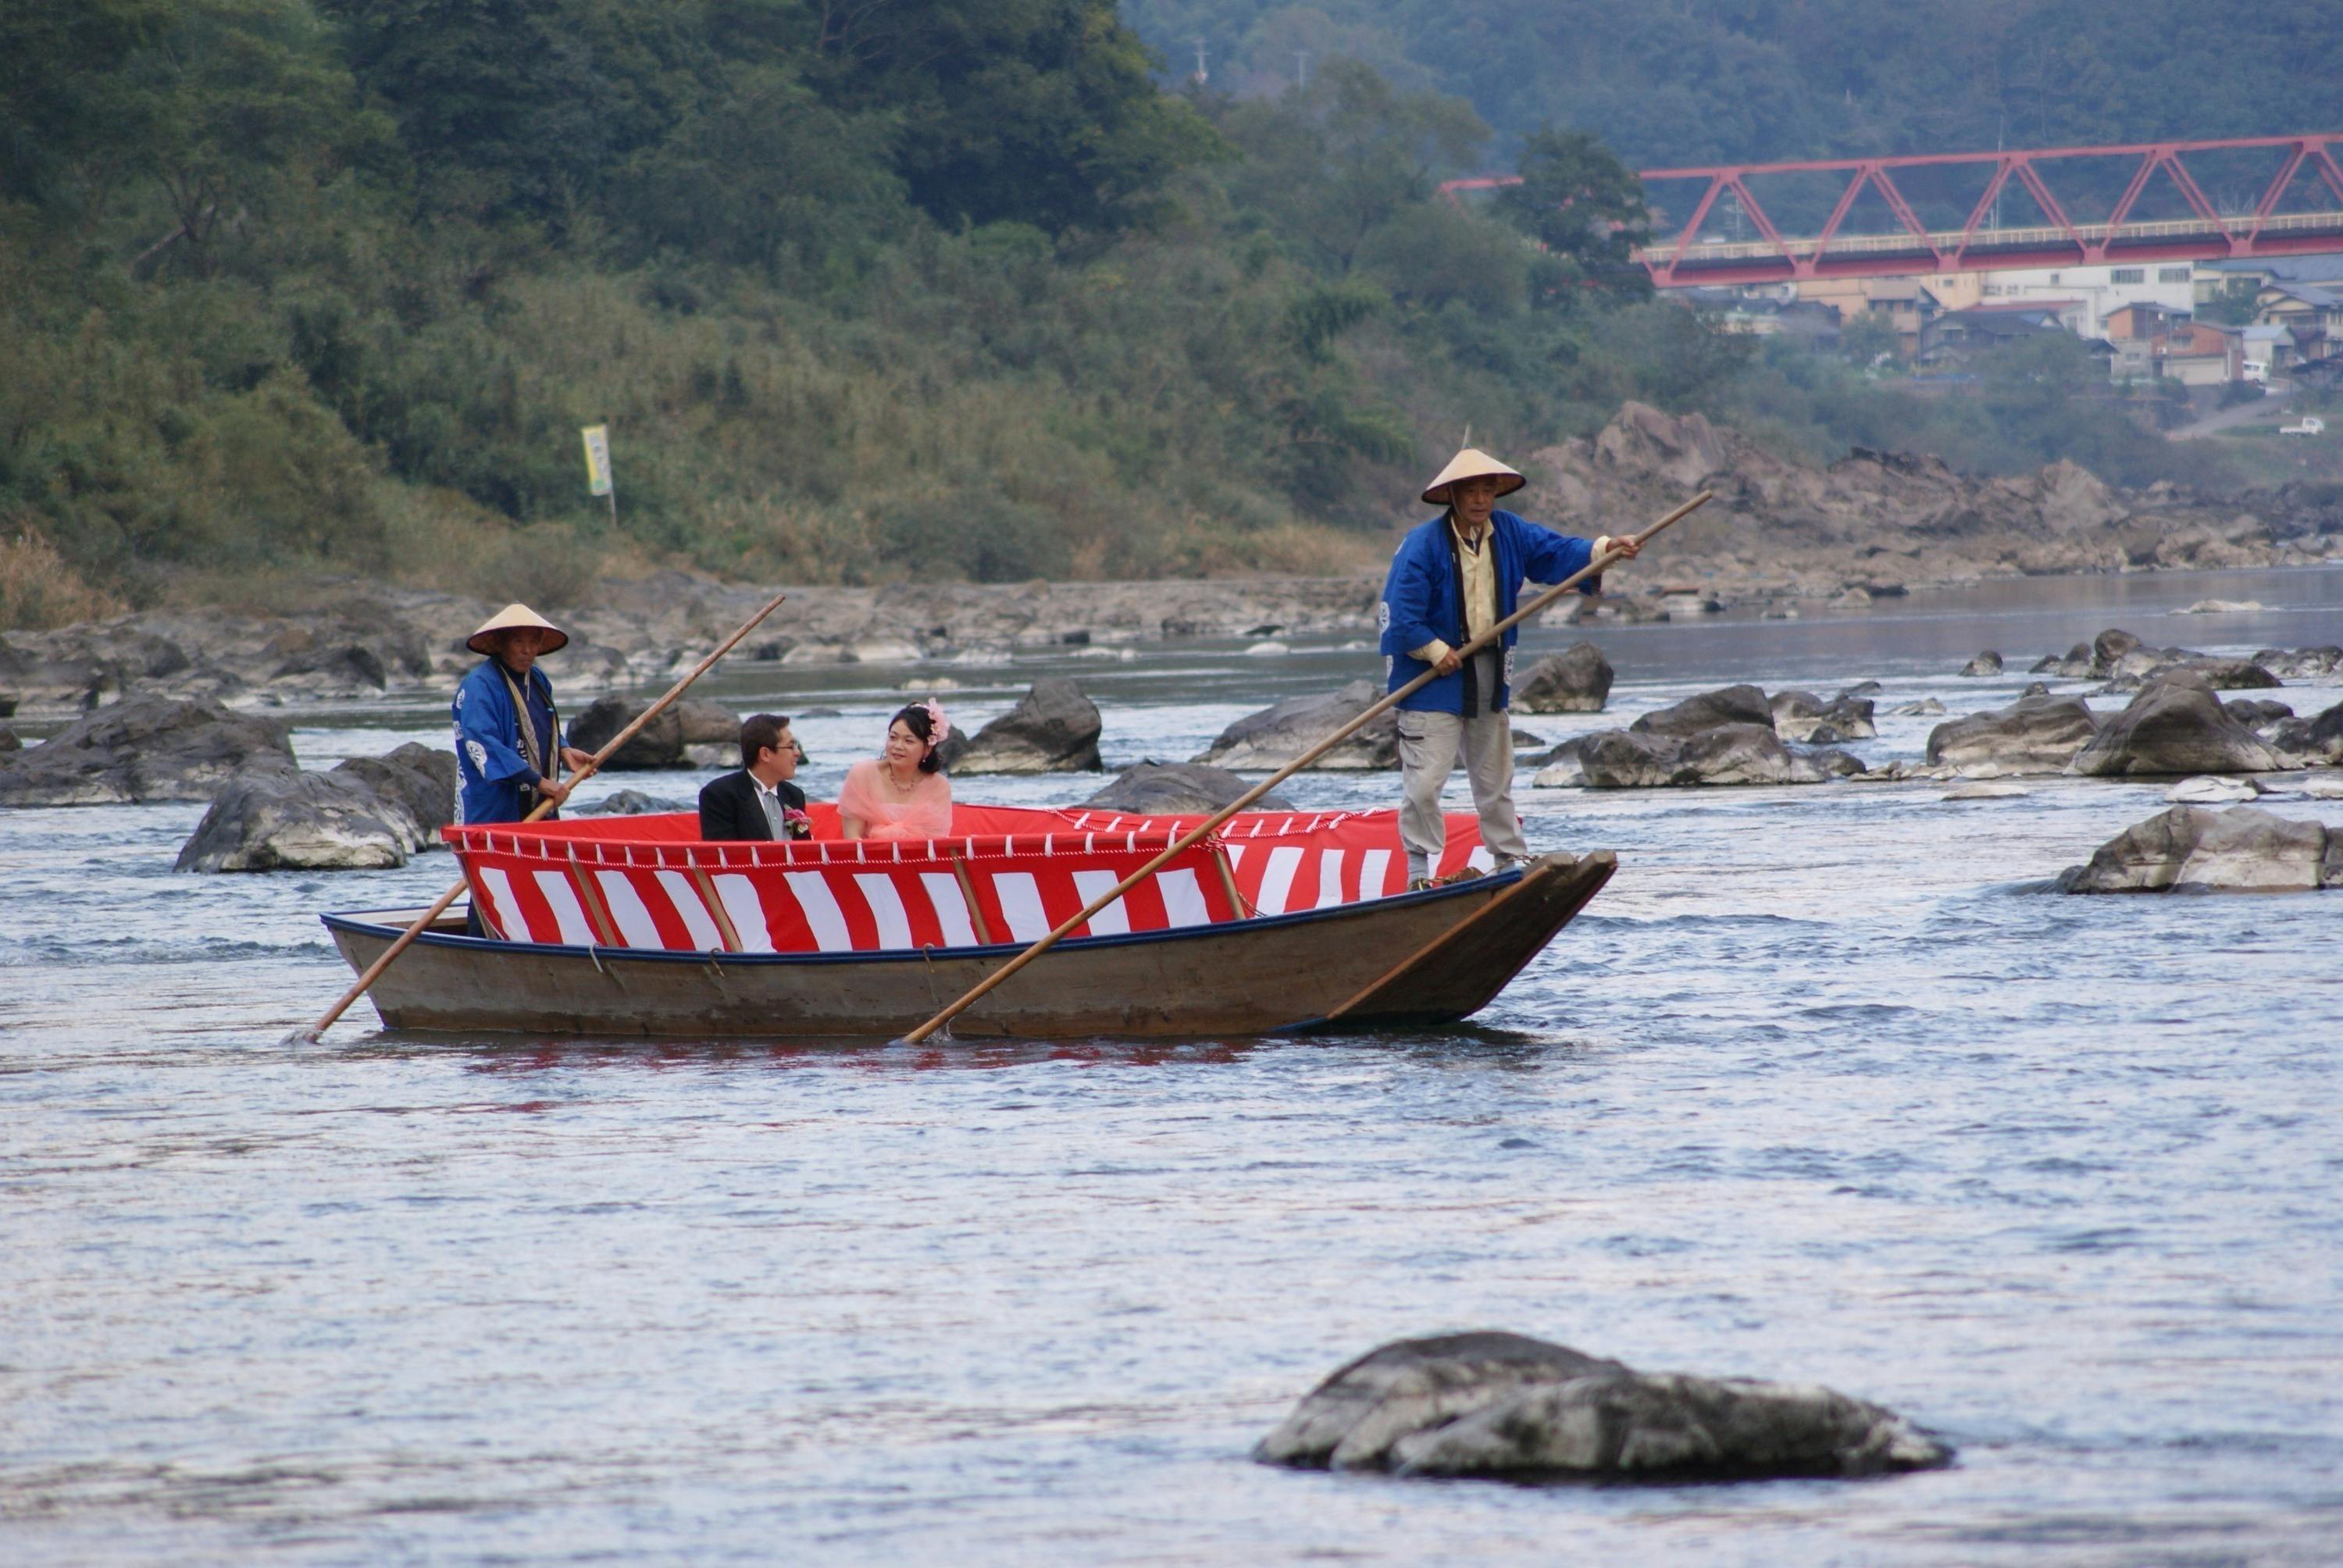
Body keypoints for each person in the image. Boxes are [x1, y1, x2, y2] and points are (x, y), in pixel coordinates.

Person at [1378, 447, 1640, 890]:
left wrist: (1604, 550)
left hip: (1487, 669)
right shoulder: (1421, 546)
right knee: (1425, 781)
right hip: (1431, 680)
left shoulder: (1511, 534)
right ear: (1453, 497)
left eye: (1487, 490)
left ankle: (1507, 859)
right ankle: (1419, 873)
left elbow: (1556, 552)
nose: (1481, 499)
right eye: (1471, 491)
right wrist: (1436, 649)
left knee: (1494, 775)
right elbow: (1401, 614)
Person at [453, 603, 593, 828]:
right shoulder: (480, 685)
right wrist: (538, 781)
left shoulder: (538, 679)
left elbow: (542, 724)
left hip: (538, 803)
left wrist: (564, 750)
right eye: (518, 641)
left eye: (533, 642)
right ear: (501, 643)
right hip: (494, 807)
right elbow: (482, 741)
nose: (527, 650)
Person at [838, 701, 953, 841]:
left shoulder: (938, 786)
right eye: (893, 738)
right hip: (867, 859)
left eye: (909, 741)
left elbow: (936, 842)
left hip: (918, 860)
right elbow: (852, 838)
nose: (898, 746)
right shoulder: (863, 774)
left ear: (927, 748)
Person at [699, 713, 810, 841]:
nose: (797, 753)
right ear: (765, 754)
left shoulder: (794, 795)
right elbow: (722, 854)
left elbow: (804, 851)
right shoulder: (720, 795)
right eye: (791, 747)